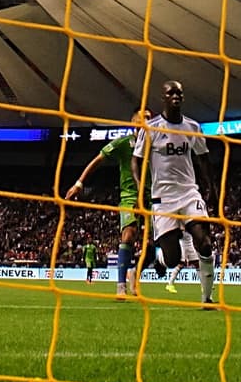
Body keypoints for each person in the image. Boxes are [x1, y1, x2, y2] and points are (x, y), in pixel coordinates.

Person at [133, 79, 218, 308]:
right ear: (163, 98)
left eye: (179, 93)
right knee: (173, 259)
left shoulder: (192, 127)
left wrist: (212, 189)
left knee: (204, 242)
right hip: (163, 199)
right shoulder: (151, 129)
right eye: (171, 93)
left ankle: (207, 298)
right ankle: (159, 258)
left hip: (190, 193)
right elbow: (136, 161)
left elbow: (203, 158)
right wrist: (141, 189)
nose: (176, 96)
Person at [66, 109, 150, 299]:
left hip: (154, 196)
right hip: (130, 196)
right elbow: (98, 159)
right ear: (135, 123)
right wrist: (79, 183)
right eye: (144, 118)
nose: (148, 121)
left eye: (150, 119)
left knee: (158, 246)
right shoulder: (124, 143)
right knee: (128, 235)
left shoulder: (157, 143)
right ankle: (121, 286)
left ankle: (134, 272)